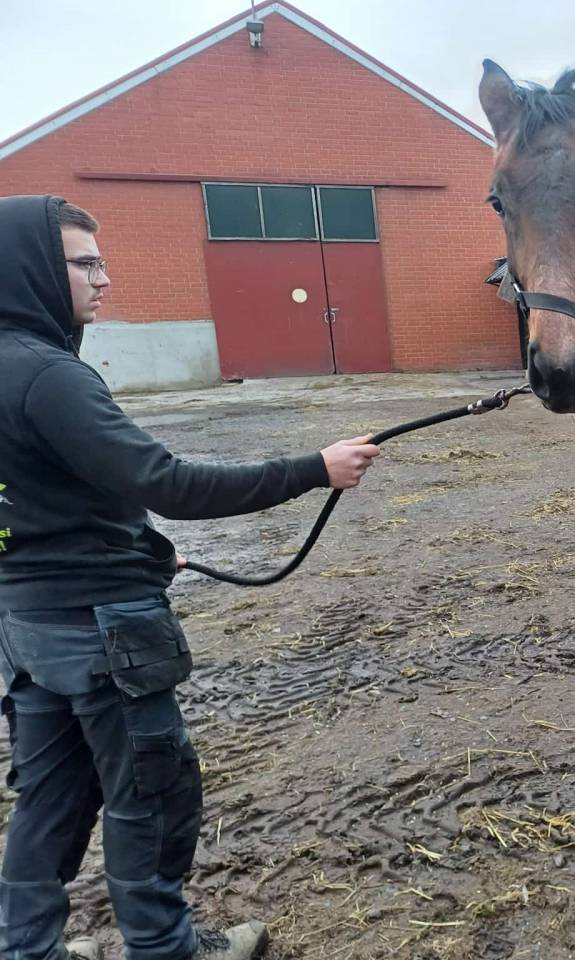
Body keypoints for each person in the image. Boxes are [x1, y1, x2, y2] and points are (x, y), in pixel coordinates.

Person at [0, 195, 380, 960]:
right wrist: (314, 469)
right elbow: (168, 483)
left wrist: (136, 547)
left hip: (29, 629)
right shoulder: (49, 376)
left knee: (47, 797)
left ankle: (26, 948)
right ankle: (166, 949)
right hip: (104, 632)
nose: (103, 280)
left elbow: (54, 493)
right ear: (34, 270)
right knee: (150, 794)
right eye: (84, 263)